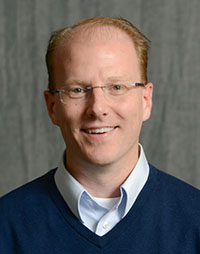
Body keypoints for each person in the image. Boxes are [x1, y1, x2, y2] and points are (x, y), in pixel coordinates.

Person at [0, 17, 200, 253]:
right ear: (52, 107)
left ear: (146, 101)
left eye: (116, 87)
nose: (97, 108)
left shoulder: (195, 219)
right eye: (77, 90)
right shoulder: (6, 224)